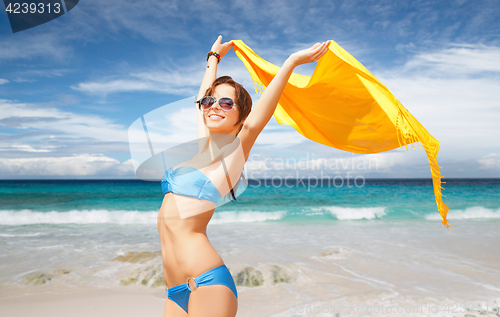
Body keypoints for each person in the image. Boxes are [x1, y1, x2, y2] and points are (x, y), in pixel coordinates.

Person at [157, 35, 330, 317]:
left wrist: (291, 63)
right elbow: (203, 97)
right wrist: (214, 56)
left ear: (240, 118)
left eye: (227, 104)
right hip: (174, 290)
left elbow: (256, 122)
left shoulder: (232, 156)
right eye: (211, 102)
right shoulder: (202, 149)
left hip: (205, 283)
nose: (214, 106)